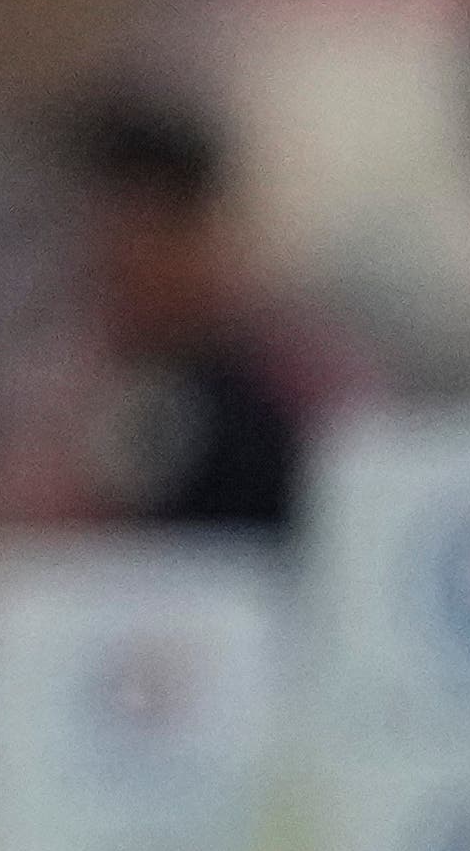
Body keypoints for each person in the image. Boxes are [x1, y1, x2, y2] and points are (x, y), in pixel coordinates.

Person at [56, 85, 312, 539]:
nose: (118, 266)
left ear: (202, 234)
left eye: (145, 244)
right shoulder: (67, 390)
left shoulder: (290, 386)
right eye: (105, 246)